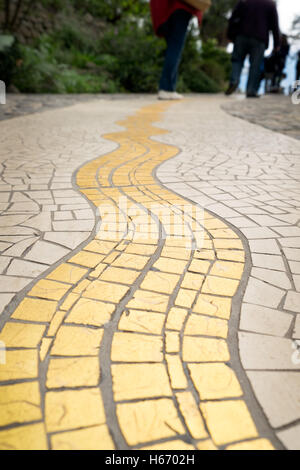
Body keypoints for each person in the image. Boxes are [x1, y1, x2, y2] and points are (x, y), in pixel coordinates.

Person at [226, 0, 280, 98]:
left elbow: (233, 18)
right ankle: (251, 90)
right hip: (259, 38)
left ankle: (234, 80)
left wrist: (230, 34)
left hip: (241, 35)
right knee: (255, 65)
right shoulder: (270, 4)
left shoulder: (244, 1)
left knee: (237, 60)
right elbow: (275, 25)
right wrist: (277, 44)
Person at [150, 0, 203, 100]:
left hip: (164, 9)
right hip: (180, 7)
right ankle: (166, 89)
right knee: (175, 48)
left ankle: (169, 88)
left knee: (172, 47)